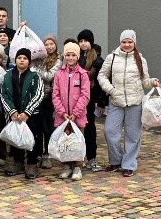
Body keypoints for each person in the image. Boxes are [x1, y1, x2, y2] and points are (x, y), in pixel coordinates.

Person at [98, 29, 161, 177]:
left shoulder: (140, 59)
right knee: (110, 132)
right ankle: (116, 160)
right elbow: (102, 75)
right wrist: (111, 90)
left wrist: (152, 82)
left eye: (130, 42)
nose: (127, 44)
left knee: (133, 136)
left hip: (135, 103)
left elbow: (145, 81)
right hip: (116, 102)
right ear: (120, 42)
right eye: (124, 42)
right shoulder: (111, 57)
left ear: (134, 43)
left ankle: (128, 165)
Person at [2, 48, 44, 179]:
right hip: (14, 114)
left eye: (25, 58)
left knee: (32, 138)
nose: (22, 60)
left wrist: (27, 112)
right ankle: (18, 162)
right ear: (15, 60)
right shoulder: (8, 75)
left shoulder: (35, 76)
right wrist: (12, 111)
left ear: (29, 62)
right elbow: (4, 94)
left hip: (31, 115)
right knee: (16, 138)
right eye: (19, 58)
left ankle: (32, 164)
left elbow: (39, 94)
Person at [52, 42, 90, 181]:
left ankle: (77, 167)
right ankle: (66, 166)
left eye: (73, 55)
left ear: (78, 57)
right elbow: (55, 95)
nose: (70, 57)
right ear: (64, 55)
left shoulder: (83, 74)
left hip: (77, 116)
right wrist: (62, 112)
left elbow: (85, 95)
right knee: (65, 142)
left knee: (77, 142)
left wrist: (76, 113)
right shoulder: (59, 74)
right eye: (68, 54)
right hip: (62, 117)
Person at [77, 29, 107, 172]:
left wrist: (101, 102)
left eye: (85, 41)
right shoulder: (77, 57)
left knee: (90, 129)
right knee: (77, 129)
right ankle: (78, 158)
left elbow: (101, 83)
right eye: (81, 41)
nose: (83, 44)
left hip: (90, 100)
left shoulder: (97, 60)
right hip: (76, 99)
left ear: (91, 42)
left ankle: (92, 158)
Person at [31, 35, 62, 169]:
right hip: (35, 97)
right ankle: (37, 154)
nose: (49, 47)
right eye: (46, 44)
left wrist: (34, 70)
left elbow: (50, 76)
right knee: (36, 127)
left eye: (51, 44)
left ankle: (47, 154)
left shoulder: (59, 59)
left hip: (48, 97)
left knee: (48, 128)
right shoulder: (38, 58)